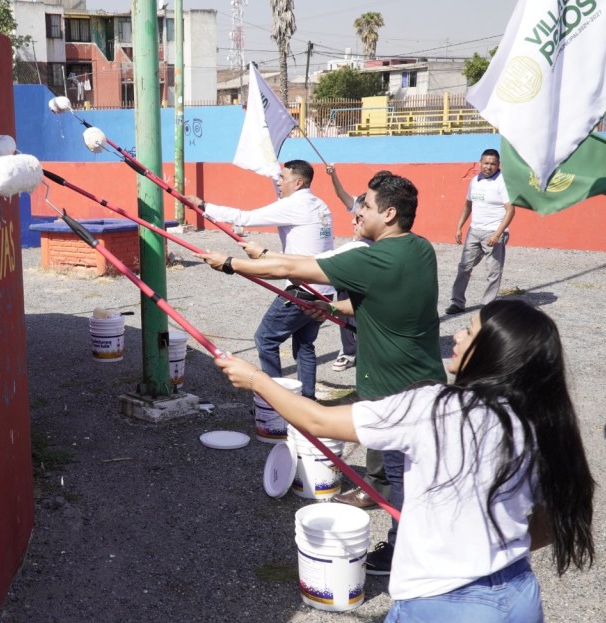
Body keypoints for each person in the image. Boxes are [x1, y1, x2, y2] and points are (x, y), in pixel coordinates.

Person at [214, 299, 595, 623]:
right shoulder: (537, 421)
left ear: (495, 351)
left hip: (445, 612)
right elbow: (549, 523)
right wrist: (485, 549)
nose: (456, 337)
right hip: (519, 598)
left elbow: (318, 420)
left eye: (469, 331)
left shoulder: (435, 408)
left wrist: (257, 380)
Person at [198, 171, 445, 574]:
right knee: (407, 471)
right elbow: (383, 300)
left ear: (389, 213)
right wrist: (332, 307)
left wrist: (230, 264)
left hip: (394, 391)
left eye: (365, 205)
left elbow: (293, 267)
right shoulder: (419, 249)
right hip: (425, 381)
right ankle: (406, 533)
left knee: (404, 478)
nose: (357, 212)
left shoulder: (373, 258)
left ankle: (405, 553)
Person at [188, 160, 333, 398]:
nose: (279, 182)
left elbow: (244, 217)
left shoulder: (295, 204)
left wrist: (204, 206)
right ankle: (307, 399)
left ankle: (276, 401)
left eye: (283, 178)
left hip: (303, 289)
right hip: (324, 289)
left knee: (265, 339)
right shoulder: (319, 204)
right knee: (304, 344)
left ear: (298, 183)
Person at [446, 149, 516, 315]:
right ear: (480, 163)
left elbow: (511, 210)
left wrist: (497, 234)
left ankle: (487, 306)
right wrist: (459, 226)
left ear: (498, 165)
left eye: (492, 164)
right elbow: (468, 205)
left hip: (493, 232)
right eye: (486, 163)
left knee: (493, 271)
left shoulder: (502, 182)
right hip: (474, 231)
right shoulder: (475, 181)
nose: (488, 167)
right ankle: (457, 302)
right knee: (464, 267)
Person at [324, 164, 372, 371]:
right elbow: (341, 194)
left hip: (364, 268)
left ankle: (367, 352)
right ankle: (349, 351)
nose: (354, 222)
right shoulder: (361, 204)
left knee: (364, 310)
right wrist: (333, 175)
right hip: (351, 268)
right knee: (344, 307)